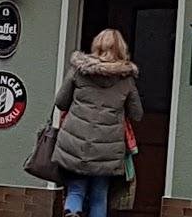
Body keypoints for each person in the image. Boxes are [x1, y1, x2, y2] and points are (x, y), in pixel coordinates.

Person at [54, 28, 143, 217]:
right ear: (120, 49)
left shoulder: (78, 71)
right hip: (108, 149)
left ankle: (72, 212)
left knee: (75, 191)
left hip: (75, 143)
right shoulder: (126, 80)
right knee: (99, 196)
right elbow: (137, 114)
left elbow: (60, 102)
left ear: (96, 45)